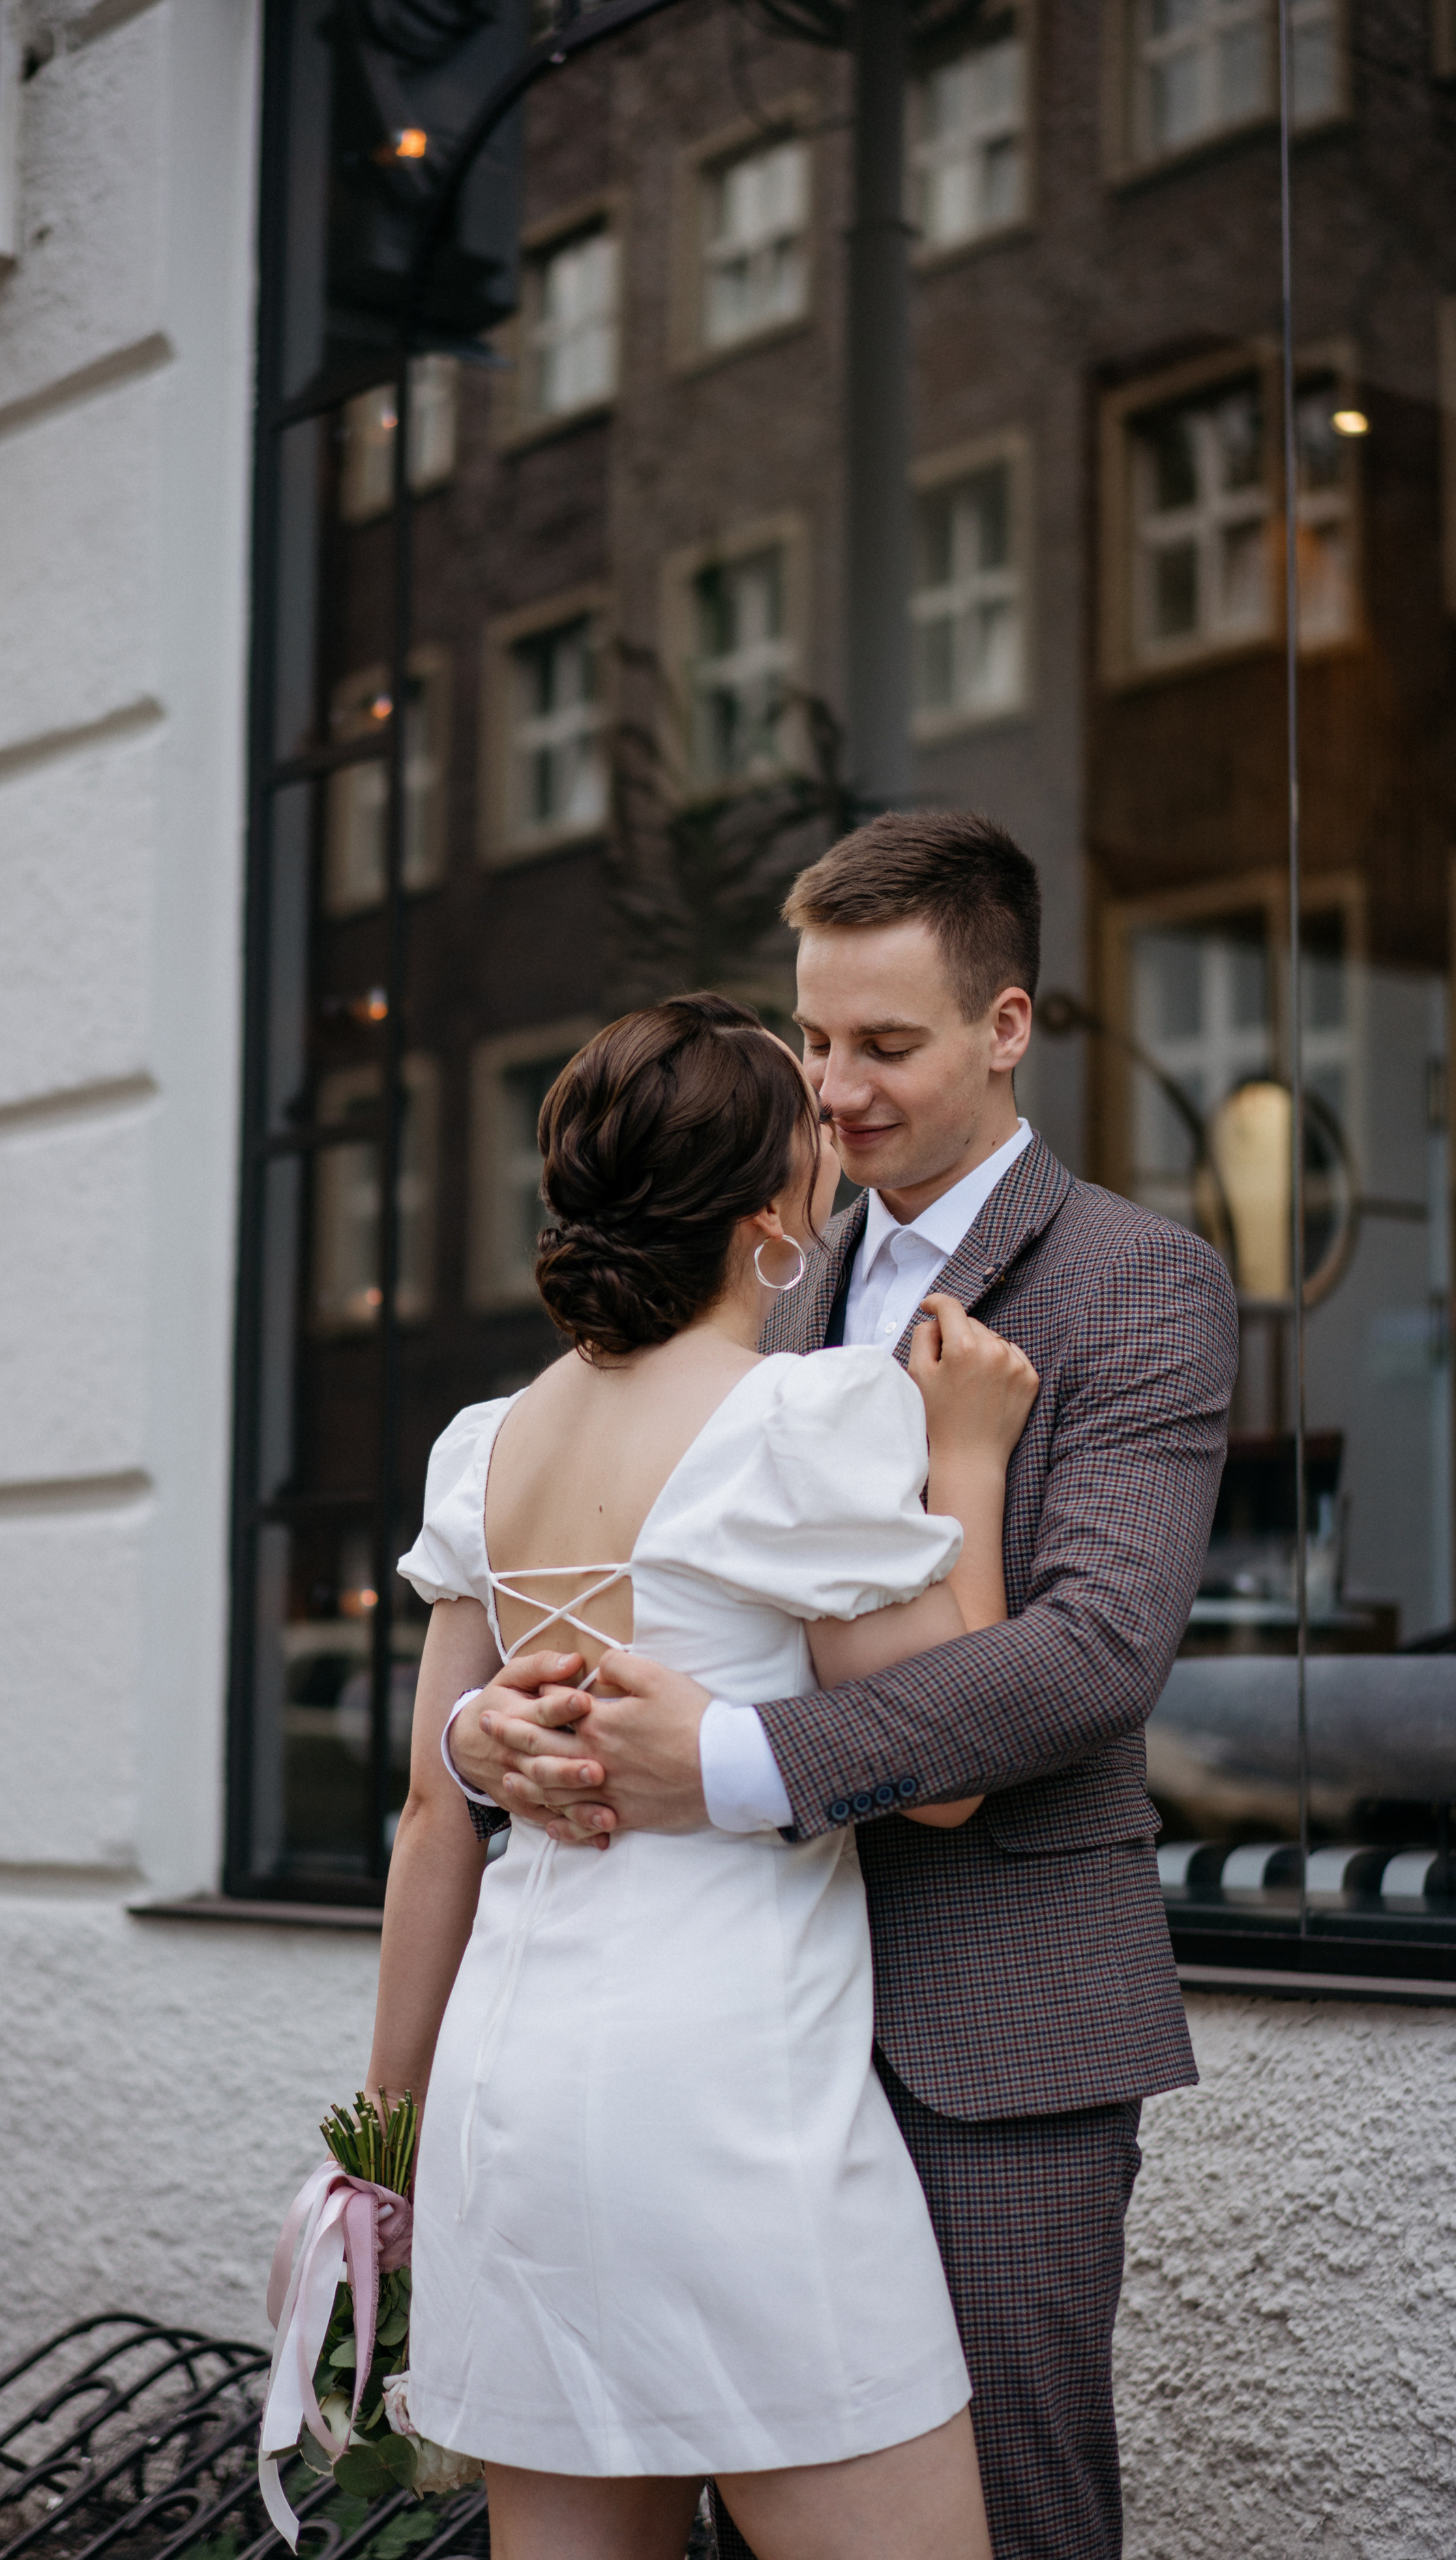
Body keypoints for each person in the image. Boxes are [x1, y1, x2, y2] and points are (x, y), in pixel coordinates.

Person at [449, 814, 1240, 2560]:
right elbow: (626, 1567)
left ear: (1006, 1025)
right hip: (724, 2050)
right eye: (814, 1041)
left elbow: (1096, 1651)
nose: (836, 1088)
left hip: (982, 2033)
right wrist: (490, 1723)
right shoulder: (755, 1271)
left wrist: (735, 1759)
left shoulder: (1139, 1281)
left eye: (885, 1044)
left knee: (1010, 2523)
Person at [366, 990, 1042, 2560]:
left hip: (505, 2103)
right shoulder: (804, 1416)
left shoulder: (483, 1444)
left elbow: (430, 1809)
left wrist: (388, 2147)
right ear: (769, 1223)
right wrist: (972, 1459)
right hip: (730, 2101)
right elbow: (943, 1767)